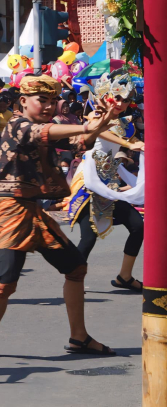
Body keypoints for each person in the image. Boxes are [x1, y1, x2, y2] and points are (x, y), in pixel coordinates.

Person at [0, 74, 121, 362]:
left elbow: (81, 141)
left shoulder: (46, 128)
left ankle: (79, 336)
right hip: (10, 208)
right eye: (42, 100)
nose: (49, 106)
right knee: (5, 282)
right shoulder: (17, 125)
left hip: (34, 210)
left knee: (75, 268)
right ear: (23, 101)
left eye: (53, 101)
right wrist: (87, 125)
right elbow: (46, 132)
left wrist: (105, 119)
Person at [65, 72, 144, 292]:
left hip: (109, 185)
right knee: (88, 238)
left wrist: (143, 145)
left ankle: (124, 277)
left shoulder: (126, 124)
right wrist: (128, 145)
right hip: (90, 183)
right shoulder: (96, 115)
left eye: (125, 99)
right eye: (117, 97)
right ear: (106, 95)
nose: (120, 103)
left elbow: (136, 141)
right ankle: (73, 281)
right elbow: (98, 132)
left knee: (138, 226)